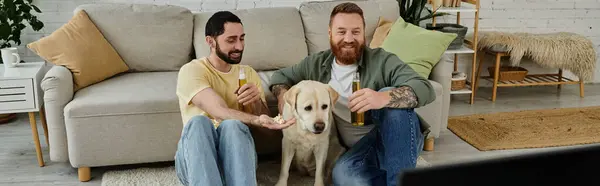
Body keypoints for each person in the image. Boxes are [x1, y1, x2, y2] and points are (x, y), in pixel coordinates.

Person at [269, 3, 435, 186]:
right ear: (330, 33)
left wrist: (382, 98)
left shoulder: (382, 60)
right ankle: (394, 172)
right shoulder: (316, 64)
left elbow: (424, 87)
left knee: (389, 94)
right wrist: (282, 96)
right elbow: (280, 77)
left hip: (395, 135)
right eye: (341, 31)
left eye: (356, 32)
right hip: (361, 149)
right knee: (343, 177)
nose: (349, 39)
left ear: (364, 33)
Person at [174, 11, 295, 186]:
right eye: (231, 40)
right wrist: (255, 119)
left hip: (237, 167)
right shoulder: (192, 70)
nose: (239, 46)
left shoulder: (249, 74)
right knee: (199, 123)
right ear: (210, 41)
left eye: (242, 38)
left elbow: (268, 133)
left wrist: (256, 104)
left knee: (233, 125)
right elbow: (218, 111)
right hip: (195, 166)